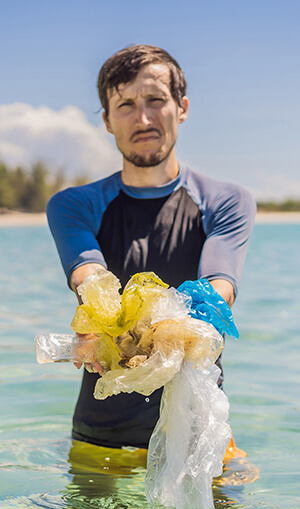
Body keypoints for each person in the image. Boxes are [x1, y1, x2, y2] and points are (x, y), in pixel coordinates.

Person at [47, 44, 256, 451]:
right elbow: (90, 277)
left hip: (201, 435)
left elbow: (219, 289)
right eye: (125, 105)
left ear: (182, 107)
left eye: (156, 100)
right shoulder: (73, 205)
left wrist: (131, 330)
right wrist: (99, 312)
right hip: (101, 435)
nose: (142, 118)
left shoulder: (226, 201)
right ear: (107, 120)